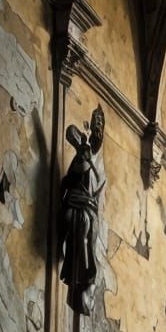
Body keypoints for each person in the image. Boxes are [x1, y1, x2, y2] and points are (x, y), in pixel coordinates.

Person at [59, 106, 106, 315]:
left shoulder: (94, 161)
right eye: (95, 127)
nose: (97, 132)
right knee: (83, 235)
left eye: (100, 127)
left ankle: (86, 282)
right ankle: (83, 281)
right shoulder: (83, 158)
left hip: (88, 209)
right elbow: (69, 180)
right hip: (80, 208)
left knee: (89, 240)